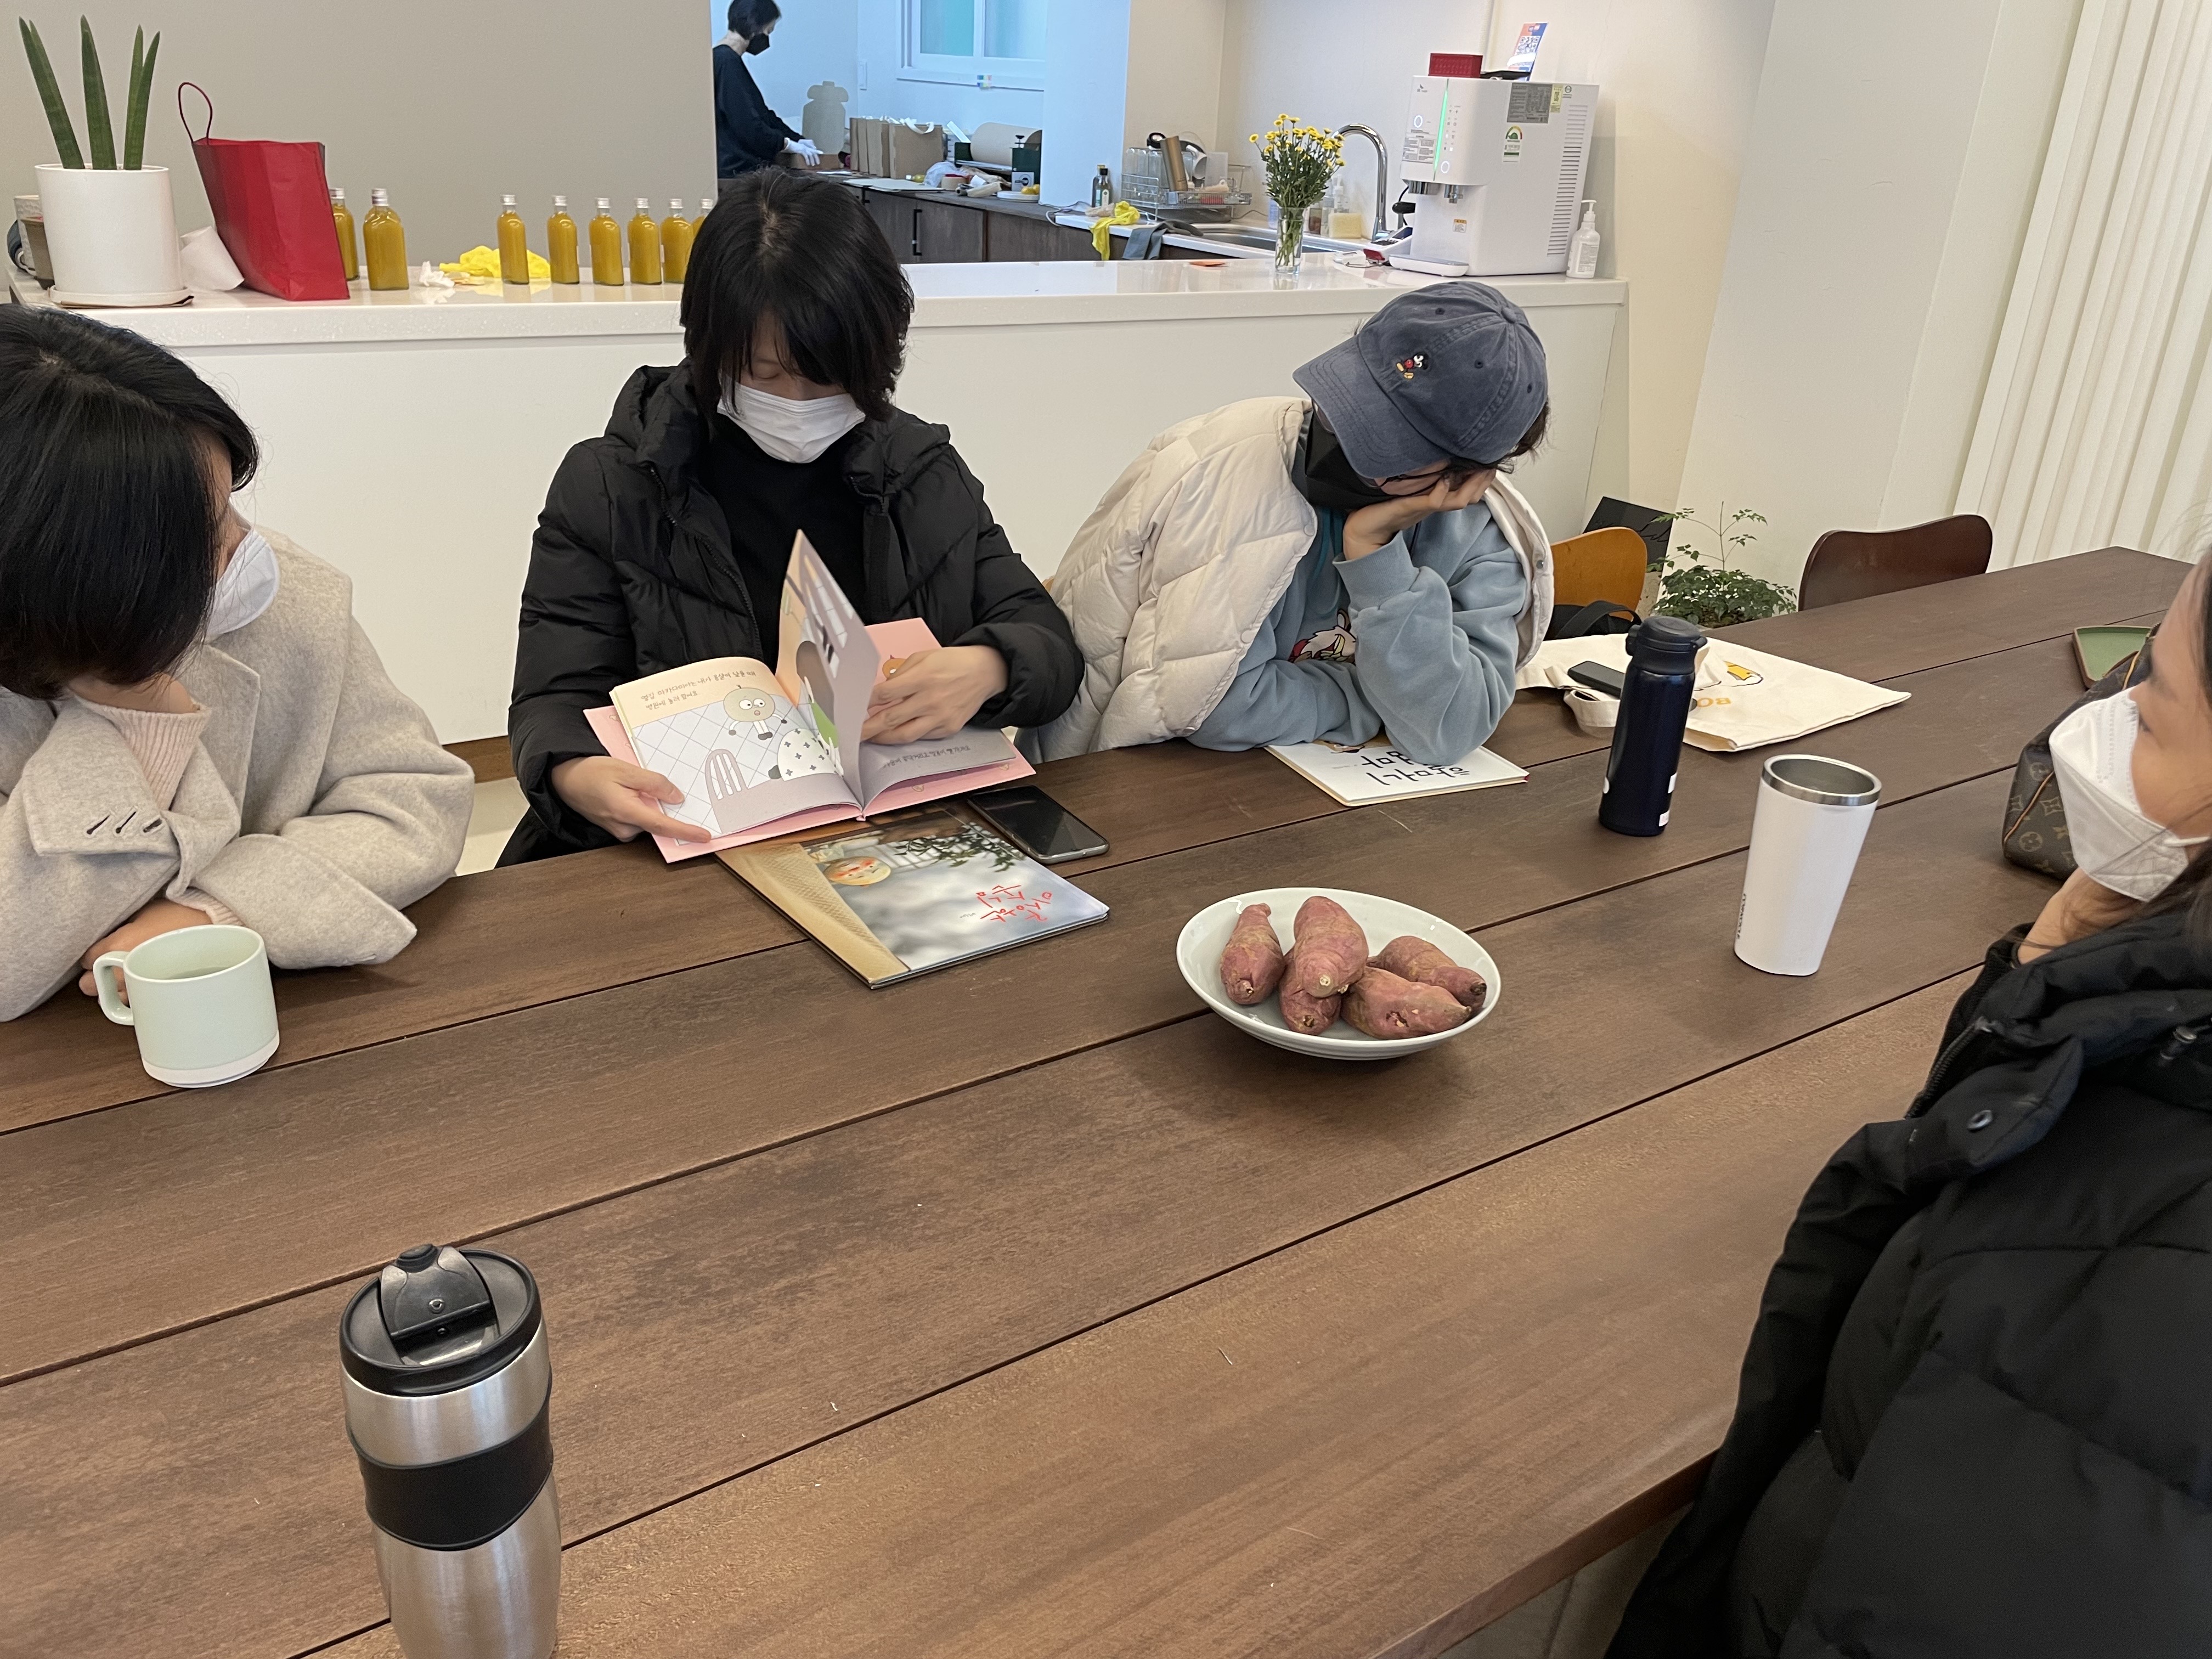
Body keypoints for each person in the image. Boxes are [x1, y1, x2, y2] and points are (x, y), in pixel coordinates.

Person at [1607, 554, 2212, 1657]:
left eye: (2156, 699)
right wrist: (2067, 961)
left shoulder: (2141, 1264)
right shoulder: (2162, 1042)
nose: (2108, 719)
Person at [503, 168, 1079, 862]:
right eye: (765, 373)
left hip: (889, 838)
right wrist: (575, 774)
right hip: (683, 848)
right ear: (708, 348)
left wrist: (989, 666)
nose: (799, 402)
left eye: (829, 375)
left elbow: (1046, 639)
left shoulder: (919, 471)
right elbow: (553, 697)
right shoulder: (610, 486)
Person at [0, 307, 474, 1022]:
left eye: (229, 506)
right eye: (199, 531)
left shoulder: (289, 600)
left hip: (278, 1016)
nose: (244, 543)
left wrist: (222, 907)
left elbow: (415, 801)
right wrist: (130, 715)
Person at [1036, 280, 1553, 766]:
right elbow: (1215, 707)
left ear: (1471, 476)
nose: (1344, 444)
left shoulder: (1485, 536)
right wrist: (1380, 700)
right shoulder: (1227, 471)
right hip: (1153, 775)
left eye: (1386, 450)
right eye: (1345, 407)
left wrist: (1375, 555)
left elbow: (1449, 728)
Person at [715, 1, 820, 184]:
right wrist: (786, 144)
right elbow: (748, 124)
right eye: (768, 31)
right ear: (754, 26)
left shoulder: (727, 61)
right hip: (737, 175)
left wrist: (796, 139)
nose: (767, 38)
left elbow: (763, 115)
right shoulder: (727, 62)